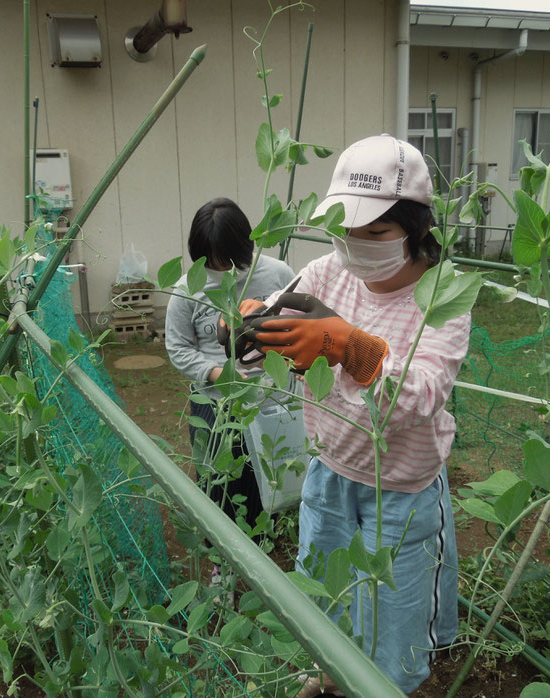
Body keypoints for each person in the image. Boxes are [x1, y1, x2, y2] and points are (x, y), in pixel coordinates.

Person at [231, 135, 467, 695]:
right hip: (330, 470)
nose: (356, 245)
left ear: (415, 226)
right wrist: (248, 327)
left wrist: (349, 347)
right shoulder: (327, 271)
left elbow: (423, 393)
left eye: (376, 232)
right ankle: (331, 675)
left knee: (396, 625)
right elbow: (276, 316)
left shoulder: (442, 292)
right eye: (345, 230)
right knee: (325, 598)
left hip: (401, 490)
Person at [164, 197, 294, 579]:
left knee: (262, 478)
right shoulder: (188, 289)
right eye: (210, 261)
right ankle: (222, 564)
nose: (220, 270)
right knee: (216, 480)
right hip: (214, 404)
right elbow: (177, 347)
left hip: (269, 397)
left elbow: (299, 323)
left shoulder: (276, 273)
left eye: (227, 260)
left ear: (245, 247)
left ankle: (257, 558)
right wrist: (217, 374)